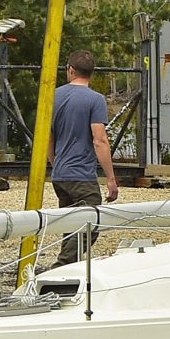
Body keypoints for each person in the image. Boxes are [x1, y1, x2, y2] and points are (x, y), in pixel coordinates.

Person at [45, 49, 118, 266]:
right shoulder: (95, 100)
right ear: (91, 74)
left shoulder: (54, 96)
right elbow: (99, 140)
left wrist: (55, 163)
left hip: (61, 173)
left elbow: (48, 137)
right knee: (91, 221)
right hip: (82, 175)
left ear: (70, 70)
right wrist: (111, 179)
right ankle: (62, 266)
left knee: (70, 224)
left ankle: (68, 269)